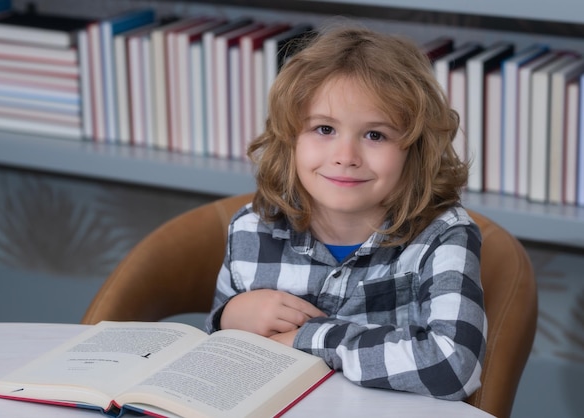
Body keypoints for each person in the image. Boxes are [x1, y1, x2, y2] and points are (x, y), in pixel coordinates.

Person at [205, 25, 486, 401]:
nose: (346, 157)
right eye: (324, 128)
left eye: (375, 135)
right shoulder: (252, 230)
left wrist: (311, 338)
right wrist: (228, 319)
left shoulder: (442, 236)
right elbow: (214, 368)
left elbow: (454, 368)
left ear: (414, 150)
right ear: (290, 138)